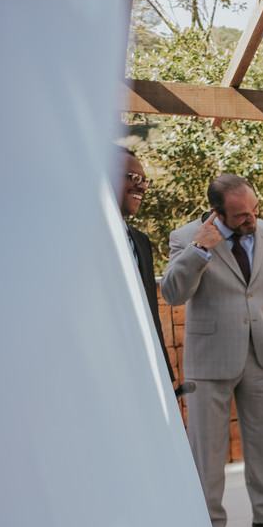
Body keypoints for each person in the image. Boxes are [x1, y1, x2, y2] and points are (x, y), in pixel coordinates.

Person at [161, 174, 263, 527]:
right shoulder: (186, 236)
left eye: (254, 210)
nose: (251, 219)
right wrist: (199, 249)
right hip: (210, 360)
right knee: (207, 450)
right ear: (217, 211)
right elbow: (174, 294)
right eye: (241, 215)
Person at [114, 146, 174, 383]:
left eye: (144, 180)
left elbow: (151, 314)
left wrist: (164, 373)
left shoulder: (141, 241)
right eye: (133, 177)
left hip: (143, 371)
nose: (142, 186)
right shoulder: (78, 238)